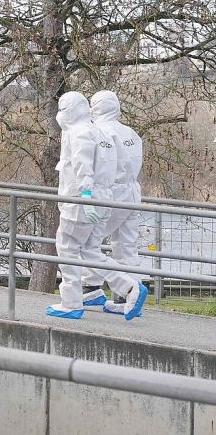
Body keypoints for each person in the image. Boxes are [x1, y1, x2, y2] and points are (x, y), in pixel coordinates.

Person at [45, 91, 147, 321]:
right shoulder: (109, 133)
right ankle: (130, 288)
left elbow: (83, 171)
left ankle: (72, 301)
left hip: (83, 200)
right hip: (113, 196)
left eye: (62, 110)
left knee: (68, 248)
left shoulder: (82, 133)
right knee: (97, 250)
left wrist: (87, 197)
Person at [80, 90, 144, 315]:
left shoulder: (97, 132)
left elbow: (97, 166)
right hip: (132, 193)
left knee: (88, 242)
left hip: (110, 193)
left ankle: (91, 288)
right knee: (126, 246)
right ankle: (129, 296)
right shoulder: (130, 133)